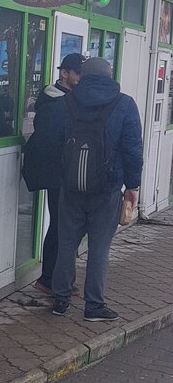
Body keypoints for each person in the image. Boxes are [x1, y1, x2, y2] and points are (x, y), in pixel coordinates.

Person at [51, 57, 142, 321]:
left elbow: (55, 141)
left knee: (67, 244)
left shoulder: (66, 101)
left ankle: (60, 301)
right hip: (108, 188)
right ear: (110, 75)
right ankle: (93, 307)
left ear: (83, 76)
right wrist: (132, 185)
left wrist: (64, 173)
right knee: (99, 248)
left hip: (71, 186)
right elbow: (133, 149)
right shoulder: (124, 104)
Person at [22, 53, 83, 295]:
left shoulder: (67, 99)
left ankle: (59, 279)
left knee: (64, 226)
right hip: (57, 173)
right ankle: (49, 280)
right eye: (77, 72)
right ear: (64, 73)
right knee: (60, 227)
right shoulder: (54, 101)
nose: (80, 78)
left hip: (64, 173)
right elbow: (52, 141)